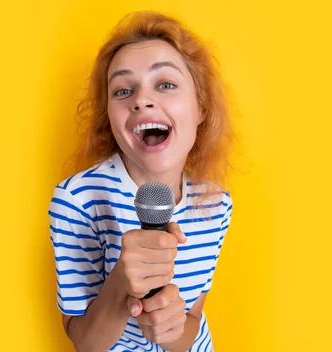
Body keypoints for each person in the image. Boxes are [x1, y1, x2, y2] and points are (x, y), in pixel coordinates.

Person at [48, 10, 234, 352]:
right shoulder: (77, 200)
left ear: (200, 108)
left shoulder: (217, 204)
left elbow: (192, 320)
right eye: (122, 91)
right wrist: (122, 283)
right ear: (110, 119)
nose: (141, 100)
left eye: (165, 84)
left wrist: (171, 325)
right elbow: (85, 344)